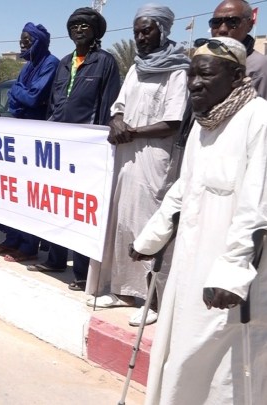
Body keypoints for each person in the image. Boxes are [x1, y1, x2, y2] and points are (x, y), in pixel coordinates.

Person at [130, 36, 267, 405]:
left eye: (205, 75)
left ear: (237, 76)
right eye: (191, 75)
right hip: (192, 266)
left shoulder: (263, 122)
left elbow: (259, 209)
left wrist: (231, 274)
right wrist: (151, 237)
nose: (194, 83)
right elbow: (184, 188)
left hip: (238, 278)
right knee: (185, 358)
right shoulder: (204, 123)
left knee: (229, 372)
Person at [86, 4, 190, 327]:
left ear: (163, 30)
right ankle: (123, 290)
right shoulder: (135, 67)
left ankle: (153, 300)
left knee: (151, 226)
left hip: (156, 159)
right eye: (137, 33)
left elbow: (173, 121)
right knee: (123, 222)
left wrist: (131, 131)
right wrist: (117, 121)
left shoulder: (178, 70)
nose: (141, 38)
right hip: (126, 156)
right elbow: (119, 106)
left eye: (147, 31)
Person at [28, 8, 120, 292]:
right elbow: (54, 102)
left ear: (95, 31)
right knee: (57, 202)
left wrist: (101, 142)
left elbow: (108, 104)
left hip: (87, 148)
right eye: (74, 26)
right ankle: (55, 259)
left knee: (81, 207)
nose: (79, 29)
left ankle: (81, 271)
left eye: (84, 25)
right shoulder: (65, 62)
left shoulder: (105, 62)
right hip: (60, 146)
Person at [0, 22, 60, 261]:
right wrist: (20, 93)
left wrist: (19, 92)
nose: (22, 44)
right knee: (13, 190)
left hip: (36, 137)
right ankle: (12, 239)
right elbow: (15, 100)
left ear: (38, 42)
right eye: (21, 39)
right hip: (19, 133)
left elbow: (32, 98)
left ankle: (28, 246)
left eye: (27, 40)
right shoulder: (28, 65)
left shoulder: (50, 64)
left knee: (31, 193)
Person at [211, 0, 267, 108]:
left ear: (249, 25)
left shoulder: (261, 68)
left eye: (232, 22)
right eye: (216, 22)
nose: (222, 29)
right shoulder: (206, 63)